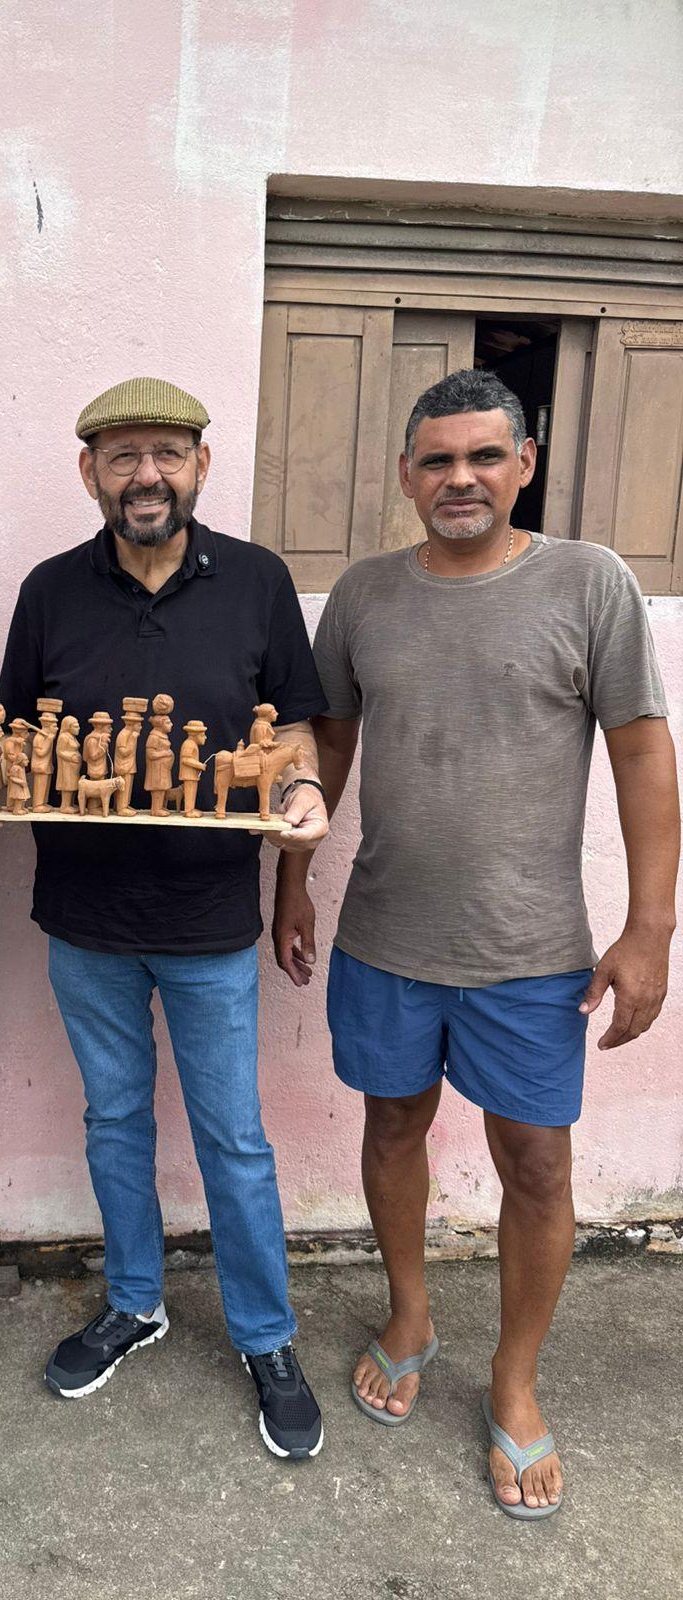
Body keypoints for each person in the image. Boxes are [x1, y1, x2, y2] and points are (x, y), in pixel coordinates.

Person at [275, 368, 679, 1517]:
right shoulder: (360, 596)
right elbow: (330, 755)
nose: (461, 478)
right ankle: (409, 1311)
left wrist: (649, 930)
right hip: (387, 937)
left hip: (534, 951)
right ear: (407, 475)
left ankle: (514, 1379)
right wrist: (293, 874)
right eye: (438, 459)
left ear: (525, 464)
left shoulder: (590, 584)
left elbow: (644, 756)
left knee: (537, 1165)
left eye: (484, 456)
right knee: (392, 1124)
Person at [0, 378, 331, 1460]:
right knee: (114, 1121)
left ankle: (265, 1333)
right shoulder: (50, 589)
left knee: (233, 1139)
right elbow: (12, 732)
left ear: (201, 464)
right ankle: (134, 1299)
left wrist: (298, 795)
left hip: (209, 915)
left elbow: (291, 726)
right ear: (90, 474)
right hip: (85, 916)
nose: (145, 475)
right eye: (122, 457)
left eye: (165, 453)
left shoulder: (256, 580)